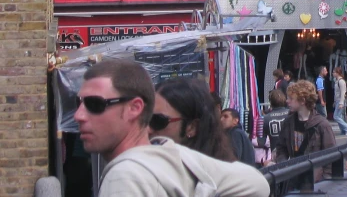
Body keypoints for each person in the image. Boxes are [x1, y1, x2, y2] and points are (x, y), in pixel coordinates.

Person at [74, 60, 269, 197]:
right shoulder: (175, 158)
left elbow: (256, 183)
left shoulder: (125, 174)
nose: (78, 115)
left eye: (95, 104)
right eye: (79, 103)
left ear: (135, 108)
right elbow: (257, 183)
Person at [152, 77, 236, 162]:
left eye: (158, 121)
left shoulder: (221, 173)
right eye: (145, 119)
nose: (148, 129)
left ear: (192, 127)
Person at [272, 80, 337, 185]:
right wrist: (283, 165)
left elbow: (331, 156)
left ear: (302, 100)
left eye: (291, 98)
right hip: (293, 179)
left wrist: (326, 180)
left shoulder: (322, 124)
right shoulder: (288, 122)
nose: (287, 101)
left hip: (316, 182)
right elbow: (281, 148)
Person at [332, 66, 347, 135]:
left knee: (336, 116)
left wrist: (341, 103)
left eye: (334, 72)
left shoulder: (341, 81)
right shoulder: (336, 81)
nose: (333, 73)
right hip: (337, 101)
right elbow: (336, 93)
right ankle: (343, 130)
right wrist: (334, 101)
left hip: (341, 101)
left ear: (337, 73)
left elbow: (343, 92)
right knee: (340, 117)